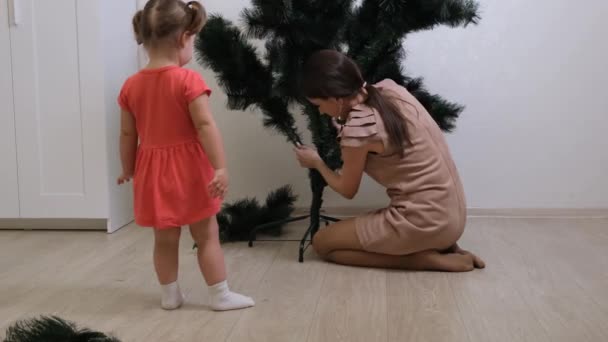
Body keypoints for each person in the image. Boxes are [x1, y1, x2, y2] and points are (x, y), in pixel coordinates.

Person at [117, 0, 254, 311]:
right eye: (194, 37)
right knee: (206, 235)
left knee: (164, 239)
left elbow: (128, 134)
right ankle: (219, 295)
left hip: (152, 170)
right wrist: (220, 167)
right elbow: (205, 125)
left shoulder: (131, 85)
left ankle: (169, 295)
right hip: (190, 170)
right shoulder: (187, 80)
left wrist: (128, 168)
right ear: (183, 39)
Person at [294, 50, 485, 272]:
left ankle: (425, 260)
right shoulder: (390, 90)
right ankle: (441, 246)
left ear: (336, 99)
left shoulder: (359, 129)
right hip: (453, 215)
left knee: (323, 244)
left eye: (318, 105)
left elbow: (347, 189)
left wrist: (316, 162)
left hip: (425, 220)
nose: (320, 112)